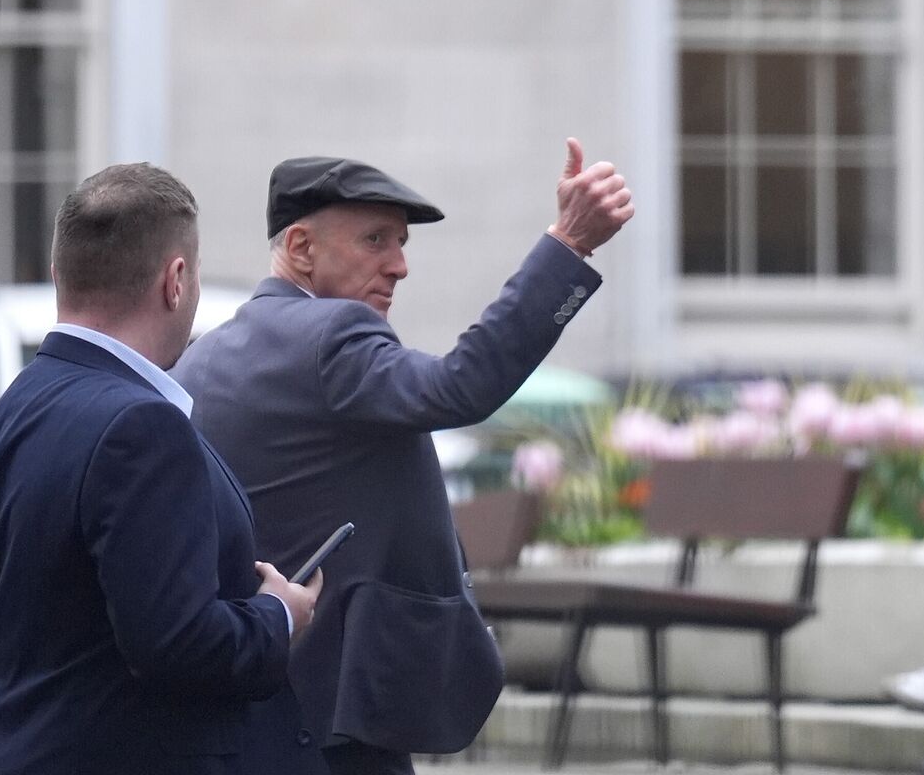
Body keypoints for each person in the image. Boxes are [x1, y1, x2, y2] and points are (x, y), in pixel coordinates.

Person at [171, 140, 633, 774]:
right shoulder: (333, 333)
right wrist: (568, 248)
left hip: (251, 695)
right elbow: (458, 386)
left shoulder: (205, 356)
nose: (399, 266)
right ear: (302, 248)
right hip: (341, 705)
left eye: (401, 244)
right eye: (375, 241)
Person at [0, 163, 327, 775]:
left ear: (59, 275)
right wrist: (279, 614)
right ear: (176, 280)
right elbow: (177, 647)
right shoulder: (142, 426)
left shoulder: (4, 418)